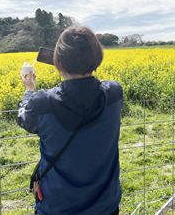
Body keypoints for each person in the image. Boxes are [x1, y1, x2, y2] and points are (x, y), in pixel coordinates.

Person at [18, 26, 122, 215]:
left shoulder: (42, 103)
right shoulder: (114, 93)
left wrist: (29, 89)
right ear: (98, 57)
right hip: (105, 206)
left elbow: (25, 119)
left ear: (59, 62)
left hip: (57, 208)